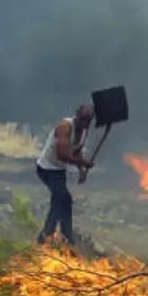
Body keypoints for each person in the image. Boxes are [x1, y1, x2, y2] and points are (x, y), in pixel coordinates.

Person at [35, 105, 96, 245]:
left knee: (62, 200)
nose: (85, 124)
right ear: (77, 116)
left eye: (88, 121)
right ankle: (48, 235)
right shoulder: (65, 127)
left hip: (59, 170)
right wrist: (84, 163)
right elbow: (62, 155)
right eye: (82, 120)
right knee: (62, 199)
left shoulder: (84, 130)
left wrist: (81, 170)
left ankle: (64, 236)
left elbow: (77, 150)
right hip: (47, 169)